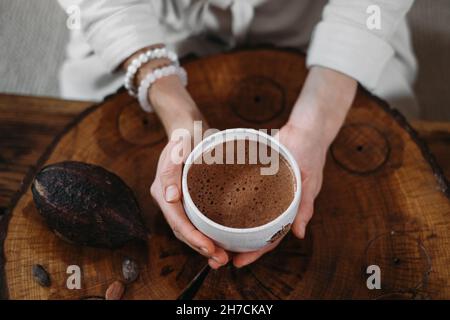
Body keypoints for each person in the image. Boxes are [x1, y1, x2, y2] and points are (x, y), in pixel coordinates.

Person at [58, 0, 417, 269]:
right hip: (147, 21)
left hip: (324, 21)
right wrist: (178, 112)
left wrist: (314, 125)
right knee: (87, 129)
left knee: (394, 130)